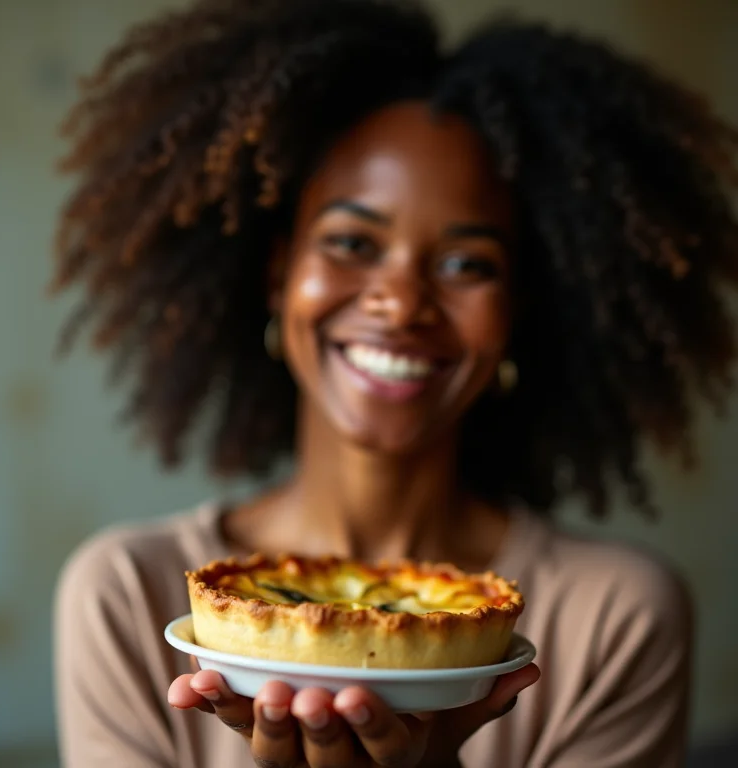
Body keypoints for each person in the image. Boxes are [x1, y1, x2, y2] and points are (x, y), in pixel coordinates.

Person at [51, 0, 738, 766]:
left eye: (465, 264)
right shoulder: (124, 594)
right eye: (352, 242)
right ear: (281, 274)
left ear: (517, 312)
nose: (402, 302)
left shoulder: (616, 616)